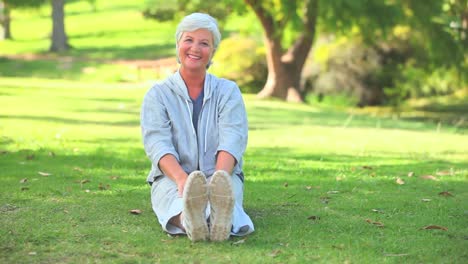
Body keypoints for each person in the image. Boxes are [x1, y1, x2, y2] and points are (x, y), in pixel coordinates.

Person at [140, 13, 254, 242]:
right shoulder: (158, 94)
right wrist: (183, 180)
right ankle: (190, 221)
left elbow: (233, 138)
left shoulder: (228, 91)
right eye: (189, 40)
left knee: (222, 197)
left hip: (222, 174)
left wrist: (218, 180)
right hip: (172, 177)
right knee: (176, 201)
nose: (195, 48)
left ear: (212, 52)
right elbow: (157, 143)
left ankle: (218, 217)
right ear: (178, 45)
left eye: (204, 43)